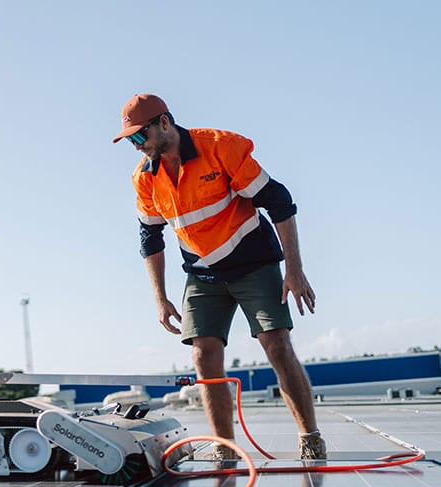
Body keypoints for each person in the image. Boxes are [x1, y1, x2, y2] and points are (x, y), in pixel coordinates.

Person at [112, 93, 326, 460]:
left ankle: (310, 436)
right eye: (130, 140)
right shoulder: (145, 178)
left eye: (138, 136)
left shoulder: (219, 148)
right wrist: (160, 297)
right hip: (203, 274)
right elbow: (150, 238)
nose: (136, 146)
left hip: (254, 264)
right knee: (203, 354)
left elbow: (279, 200)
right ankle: (225, 447)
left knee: (276, 344)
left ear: (164, 123)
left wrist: (294, 269)